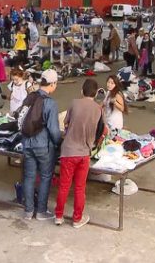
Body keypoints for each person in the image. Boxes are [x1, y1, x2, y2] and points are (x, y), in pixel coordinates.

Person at [54, 79, 103, 228]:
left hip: (69, 151)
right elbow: (101, 129)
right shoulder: (98, 109)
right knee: (80, 187)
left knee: (64, 186)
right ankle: (77, 219)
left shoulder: (74, 103)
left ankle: (58, 216)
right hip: (85, 153)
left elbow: (66, 123)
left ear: (82, 91)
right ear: (95, 94)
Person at [21, 69, 61, 221]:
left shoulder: (30, 97)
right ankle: (41, 211)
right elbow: (54, 130)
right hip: (43, 146)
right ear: (52, 84)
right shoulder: (50, 103)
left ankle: (28, 211)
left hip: (26, 143)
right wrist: (58, 144)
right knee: (45, 176)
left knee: (29, 176)